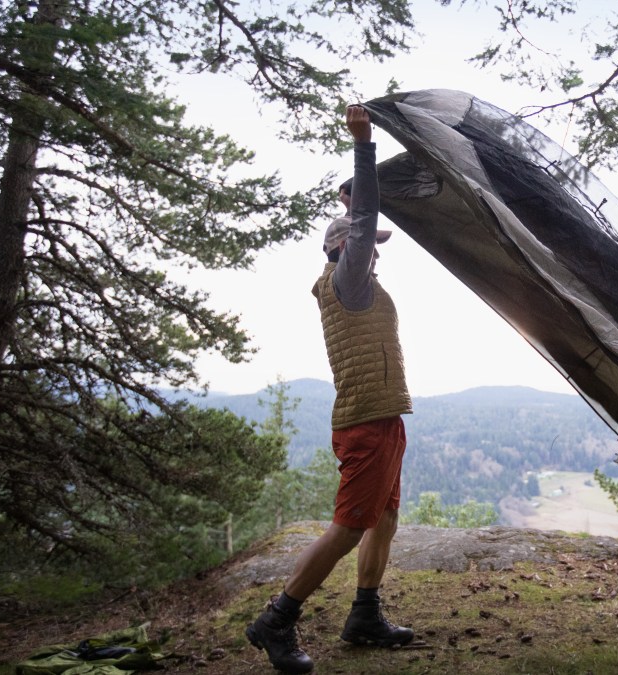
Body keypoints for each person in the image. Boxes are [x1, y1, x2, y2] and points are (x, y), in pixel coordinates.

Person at [245, 105, 413, 674]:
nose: (377, 250)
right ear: (345, 248)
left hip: (382, 417)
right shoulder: (350, 279)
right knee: (348, 527)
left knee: (384, 518)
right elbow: (365, 217)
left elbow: (367, 225)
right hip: (366, 422)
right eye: (369, 244)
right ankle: (276, 619)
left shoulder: (352, 282)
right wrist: (364, 144)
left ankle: (365, 613)